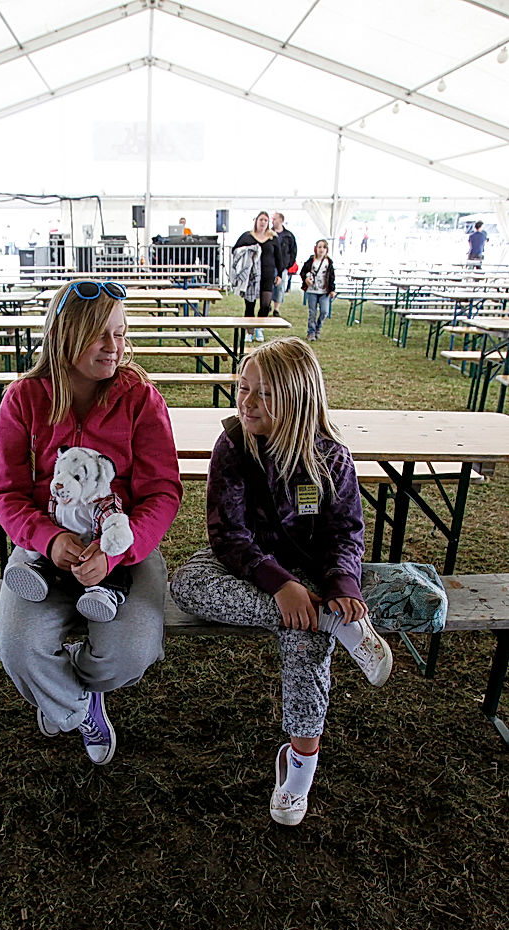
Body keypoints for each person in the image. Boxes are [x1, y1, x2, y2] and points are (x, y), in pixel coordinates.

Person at [170, 338, 393, 826]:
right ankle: (331, 623)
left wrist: (342, 585)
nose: (247, 403)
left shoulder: (331, 456)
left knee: (302, 637)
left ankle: (299, 771)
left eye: (264, 395)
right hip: (250, 568)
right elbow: (226, 534)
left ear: (297, 399)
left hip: (313, 573)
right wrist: (279, 586)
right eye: (243, 388)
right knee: (186, 582)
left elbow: (346, 533)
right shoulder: (233, 445)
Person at [0, 279, 183, 766]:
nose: (114, 348)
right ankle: (80, 708)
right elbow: (5, 491)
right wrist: (48, 538)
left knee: (131, 653)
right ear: (63, 335)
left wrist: (116, 551)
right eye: (100, 335)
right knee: (17, 646)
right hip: (45, 550)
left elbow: (163, 492)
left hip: (124, 546)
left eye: (120, 334)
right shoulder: (24, 398)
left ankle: (66, 693)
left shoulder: (140, 398)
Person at [231, 211, 283, 342]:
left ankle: (259, 327)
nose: (263, 222)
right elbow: (235, 251)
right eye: (261, 220)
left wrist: (280, 274)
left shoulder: (273, 238)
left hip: (268, 274)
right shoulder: (247, 236)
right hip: (251, 276)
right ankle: (249, 330)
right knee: (250, 304)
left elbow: (279, 258)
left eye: (266, 220)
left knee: (265, 304)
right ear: (256, 221)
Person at [300, 239, 336, 342]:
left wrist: (332, 289)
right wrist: (306, 279)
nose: (321, 249)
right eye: (319, 247)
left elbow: (332, 277)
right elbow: (303, 272)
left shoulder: (328, 262)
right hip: (312, 290)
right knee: (312, 312)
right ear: (316, 248)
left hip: (324, 291)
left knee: (324, 311)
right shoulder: (311, 261)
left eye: (324, 247)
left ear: (327, 250)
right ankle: (311, 332)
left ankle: (318, 328)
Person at [270, 212, 297, 316]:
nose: (273, 221)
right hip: (270, 265)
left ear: (281, 220)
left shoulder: (289, 236)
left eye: (275, 219)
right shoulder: (269, 233)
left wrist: (288, 265)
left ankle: (276, 309)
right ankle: (267, 304)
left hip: (282, 266)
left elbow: (293, 251)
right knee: (268, 286)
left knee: (280, 288)